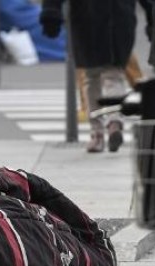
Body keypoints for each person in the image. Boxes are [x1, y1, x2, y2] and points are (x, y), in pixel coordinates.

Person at [40, 0, 136, 153]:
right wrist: (154, 16)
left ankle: (97, 134)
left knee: (92, 78)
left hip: (89, 20)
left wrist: (51, 13)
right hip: (118, 19)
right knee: (114, 76)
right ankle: (114, 121)